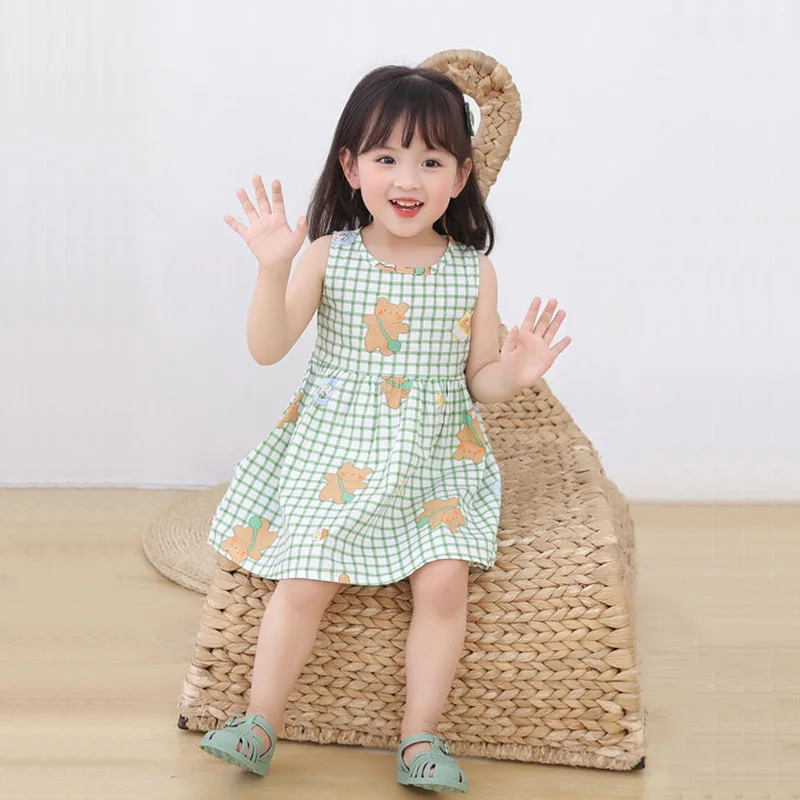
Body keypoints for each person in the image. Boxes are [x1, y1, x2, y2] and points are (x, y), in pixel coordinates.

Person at [199, 64, 571, 792]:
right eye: (387, 157)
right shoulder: (329, 255)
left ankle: (419, 738)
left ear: (460, 177)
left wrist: (516, 374)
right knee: (304, 578)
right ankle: (258, 721)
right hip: (339, 448)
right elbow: (268, 348)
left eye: (431, 160)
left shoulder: (472, 272)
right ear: (351, 166)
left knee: (443, 586)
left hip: (437, 457)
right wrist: (272, 271)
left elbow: (479, 381)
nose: (409, 178)